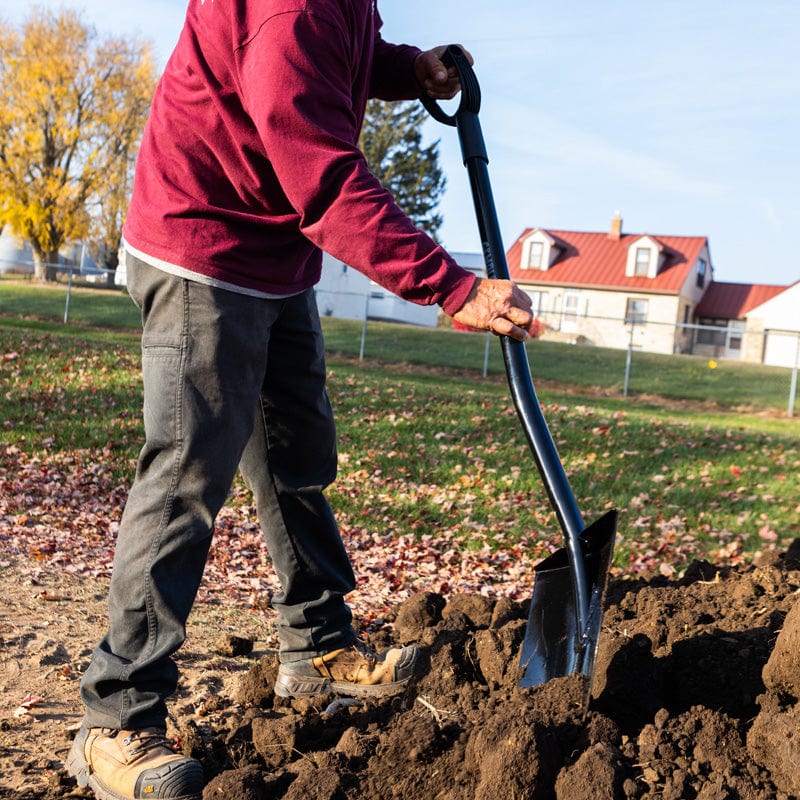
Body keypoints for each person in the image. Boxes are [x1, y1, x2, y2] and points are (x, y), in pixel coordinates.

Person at [66, 1, 533, 798]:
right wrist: (449, 285)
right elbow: (322, 179)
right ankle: (116, 718)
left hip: (272, 248)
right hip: (203, 244)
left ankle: (315, 648)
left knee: (297, 455)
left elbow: (337, 55)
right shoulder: (290, 7)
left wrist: (402, 68)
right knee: (188, 475)